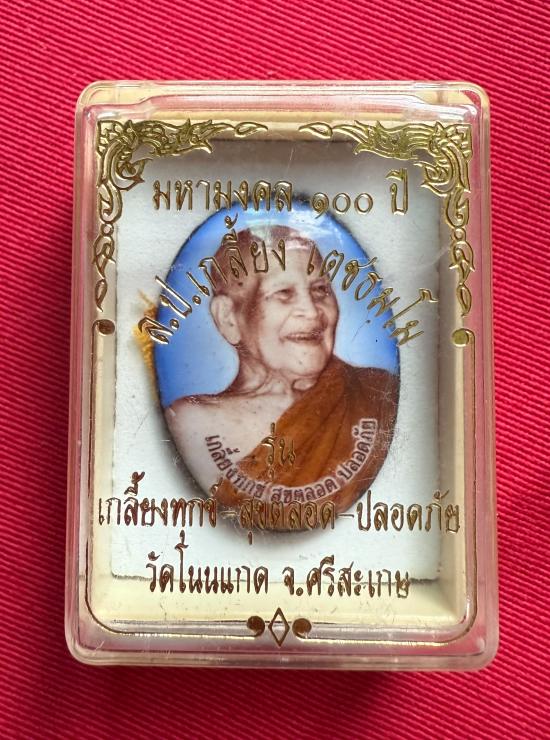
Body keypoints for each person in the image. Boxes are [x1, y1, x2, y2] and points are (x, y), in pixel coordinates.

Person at [165, 224, 398, 514]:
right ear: (228, 318)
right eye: (284, 293)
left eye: (320, 290)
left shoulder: (375, 394)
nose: (312, 311)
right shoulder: (194, 421)